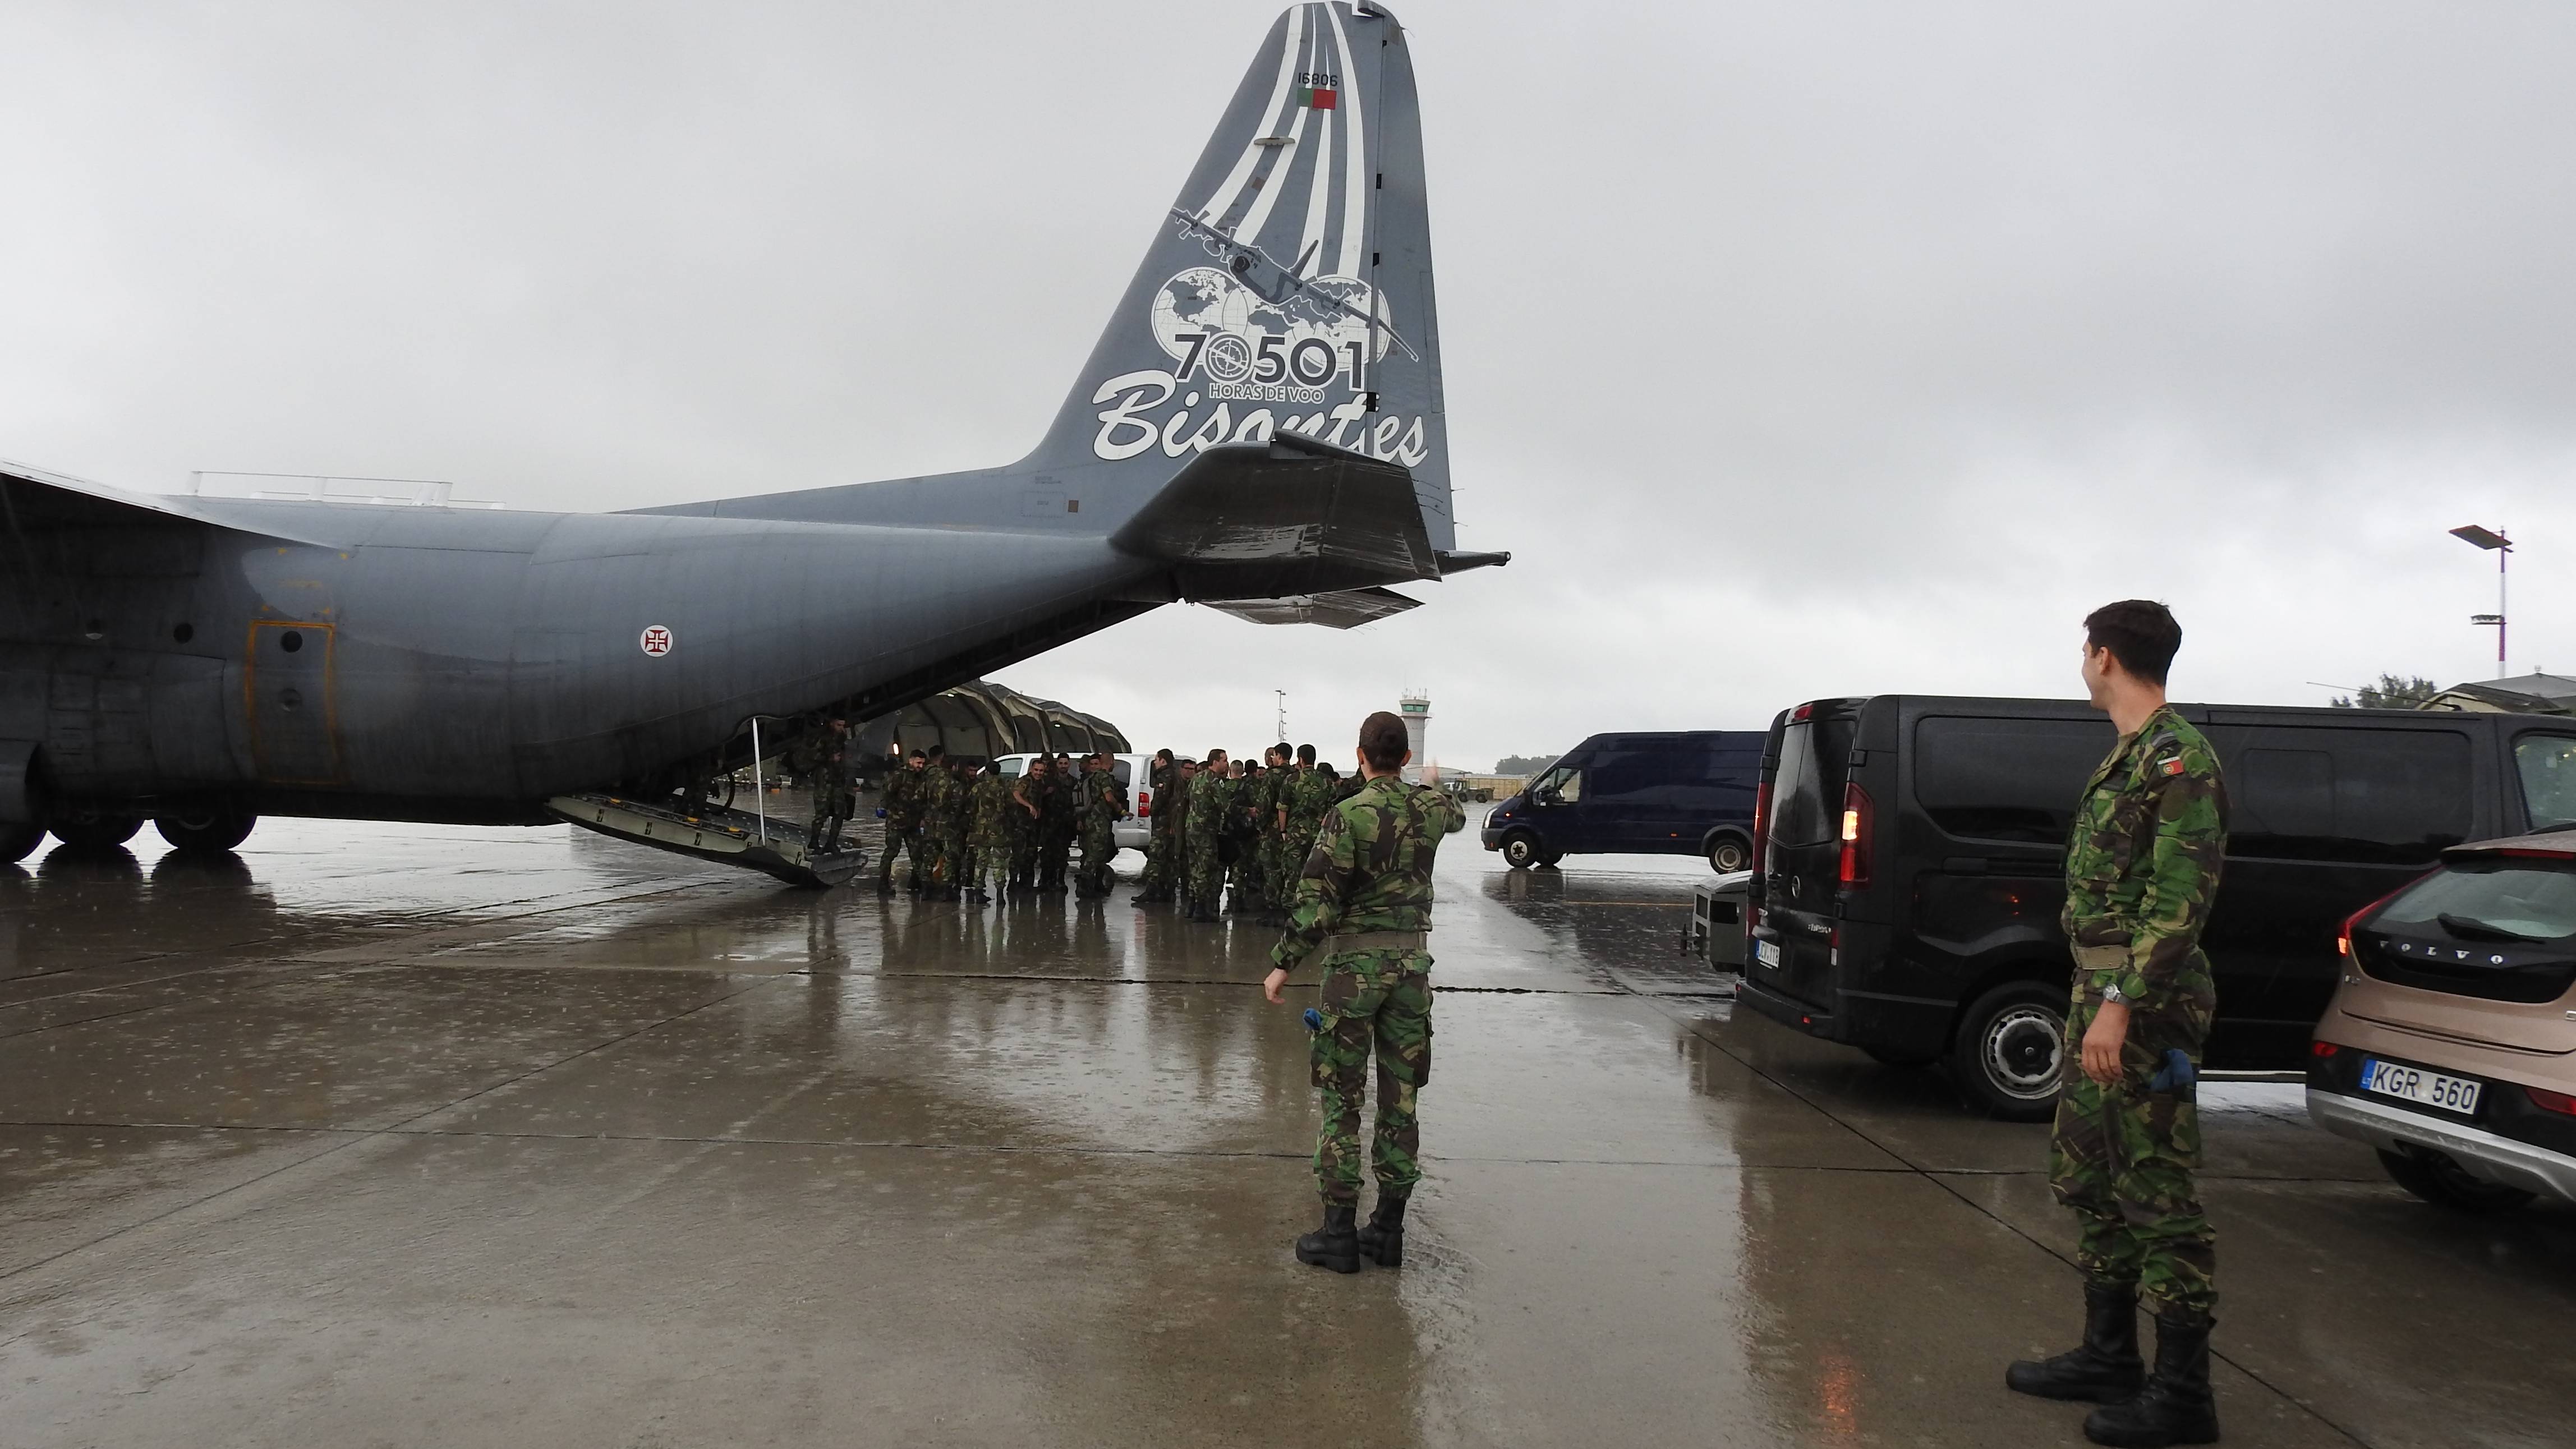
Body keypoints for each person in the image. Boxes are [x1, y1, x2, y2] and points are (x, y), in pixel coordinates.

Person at [2007, 600, 2228, 1449]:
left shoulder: (2178, 759)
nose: (2082, 660)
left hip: (2146, 1007)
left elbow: (2180, 905)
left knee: (2157, 1190)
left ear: (2103, 655)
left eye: (2083, 648)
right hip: (2099, 994)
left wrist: (2121, 1002)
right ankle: (2109, 1354)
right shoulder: (2129, 755)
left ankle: (2183, 1396)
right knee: (2089, 1174)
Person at [1263, 712, 1466, 1274]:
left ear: (1359, 755)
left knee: (1341, 1099)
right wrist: (1428, 781)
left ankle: (1338, 1234)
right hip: (1409, 969)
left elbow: (1317, 902)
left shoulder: (1346, 815)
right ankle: (1388, 1230)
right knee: (1400, 1102)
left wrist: (1282, 963)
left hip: (1354, 971)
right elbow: (1451, 815)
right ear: (1401, 758)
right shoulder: (1428, 809)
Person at [1184, 749, 1231, 922]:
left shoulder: (1197, 778)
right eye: (1224, 760)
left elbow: (1187, 798)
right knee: (1206, 869)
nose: (1226, 763)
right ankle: (1201, 909)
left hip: (1191, 828)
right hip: (1206, 831)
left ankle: (1191, 905)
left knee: (1194, 868)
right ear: (1215, 762)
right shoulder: (1215, 782)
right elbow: (1226, 806)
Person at [877, 749, 930, 895]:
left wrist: (923, 818)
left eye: (923, 763)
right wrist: (887, 810)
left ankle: (919, 883)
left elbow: (924, 800)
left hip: (913, 823)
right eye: (918, 763)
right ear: (911, 760)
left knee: (917, 853)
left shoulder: (922, 778)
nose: (920, 766)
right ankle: (883, 883)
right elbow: (886, 794)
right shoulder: (900, 775)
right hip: (897, 821)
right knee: (892, 851)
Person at [1074, 753, 1126, 899]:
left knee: (1094, 853)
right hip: (1099, 822)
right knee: (1095, 854)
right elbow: (1109, 798)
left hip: (1089, 820)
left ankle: (1094, 885)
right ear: (1111, 762)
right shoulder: (1103, 777)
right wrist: (1121, 810)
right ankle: (1084, 887)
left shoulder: (1090, 777)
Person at [968, 758, 1015, 905]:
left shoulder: (978, 788)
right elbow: (1012, 808)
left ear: (987, 772)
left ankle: (978, 892)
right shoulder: (1005, 788)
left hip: (981, 831)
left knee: (981, 862)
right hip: (1000, 831)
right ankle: (1000, 894)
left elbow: (970, 807)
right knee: (999, 863)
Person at [1134, 750, 1178, 903]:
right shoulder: (1177, 776)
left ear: (1163, 761)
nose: (1155, 763)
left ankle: (1152, 892)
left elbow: (1161, 798)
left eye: (1157, 759)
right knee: (1169, 859)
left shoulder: (1164, 776)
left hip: (1163, 824)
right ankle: (1168, 892)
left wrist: (1153, 811)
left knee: (1155, 857)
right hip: (1173, 824)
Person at [805, 717, 854, 852]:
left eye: (843, 726)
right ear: (832, 724)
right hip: (824, 781)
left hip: (838, 780)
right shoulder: (823, 738)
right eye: (839, 725)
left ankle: (831, 843)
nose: (841, 728)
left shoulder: (841, 739)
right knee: (822, 813)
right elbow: (812, 755)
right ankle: (814, 842)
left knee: (840, 812)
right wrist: (830, 758)